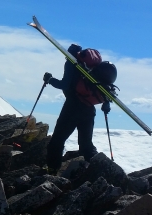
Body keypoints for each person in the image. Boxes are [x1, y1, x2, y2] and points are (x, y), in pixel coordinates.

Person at [43, 43, 111, 174]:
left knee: (57, 140)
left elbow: (64, 84)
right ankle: (100, 171)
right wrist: (106, 102)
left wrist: (50, 79)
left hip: (73, 107)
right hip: (89, 109)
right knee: (86, 145)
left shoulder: (71, 63)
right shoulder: (90, 68)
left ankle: (52, 170)